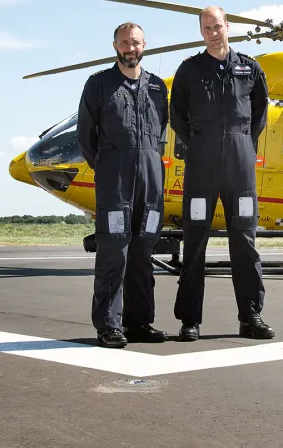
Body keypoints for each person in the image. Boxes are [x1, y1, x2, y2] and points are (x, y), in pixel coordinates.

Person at [169, 5, 273, 341]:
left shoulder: (250, 68)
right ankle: (190, 320)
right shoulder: (189, 70)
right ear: (201, 32)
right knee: (195, 239)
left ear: (228, 26)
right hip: (201, 164)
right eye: (207, 28)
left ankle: (251, 316)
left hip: (240, 165)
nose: (213, 33)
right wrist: (202, 142)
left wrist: (241, 143)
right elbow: (177, 117)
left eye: (217, 26)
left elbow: (260, 113)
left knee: (244, 241)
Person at [77, 22, 169, 348]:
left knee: (144, 252)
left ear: (145, 45)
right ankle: (109, 325)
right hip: (115, 182)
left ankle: (139, 322)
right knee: (114, 252)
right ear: (115, 46)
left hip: (150, 182)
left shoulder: (157, 87)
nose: (131, 48)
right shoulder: (99, 84)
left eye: (136, 42)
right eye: (125, 43)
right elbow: (86, 136)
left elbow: (161, 132)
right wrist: (107, 166)